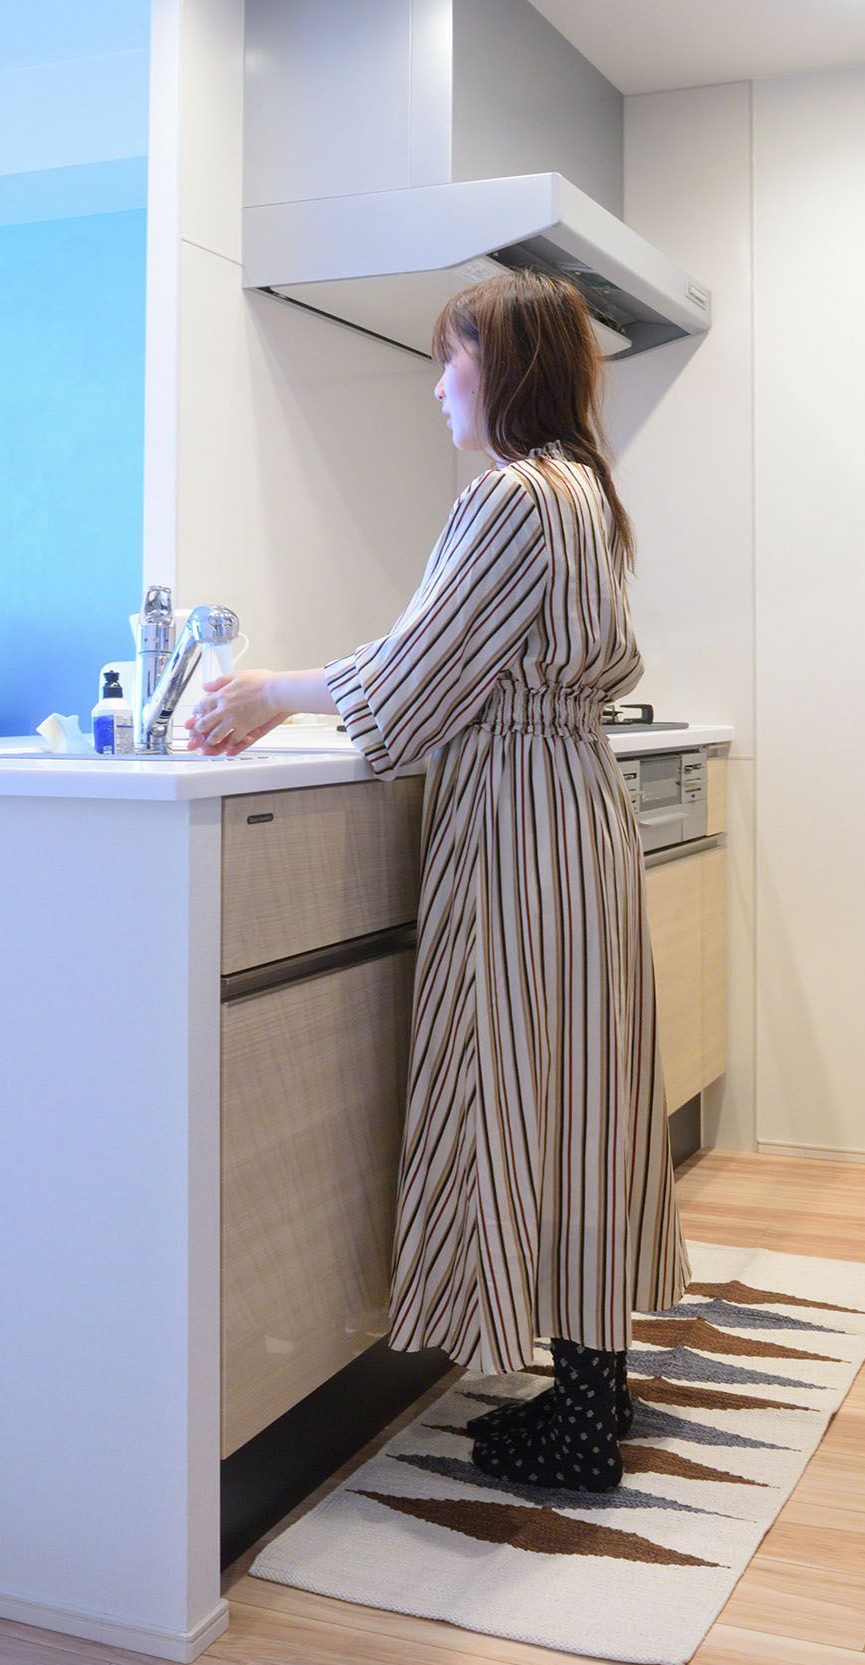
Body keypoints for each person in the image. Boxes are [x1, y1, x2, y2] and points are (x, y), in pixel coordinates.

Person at [187, 269, 690, 1492]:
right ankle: (594, 1390)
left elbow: (411, 677)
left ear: (502, 368)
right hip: (570, 814)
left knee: (517, 1086)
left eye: (449, 360)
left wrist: (266, 693)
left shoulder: (513, 496)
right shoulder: (580, 490)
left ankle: (579, 1423)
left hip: (522, 825)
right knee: (583, 1097)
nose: (436, 387)